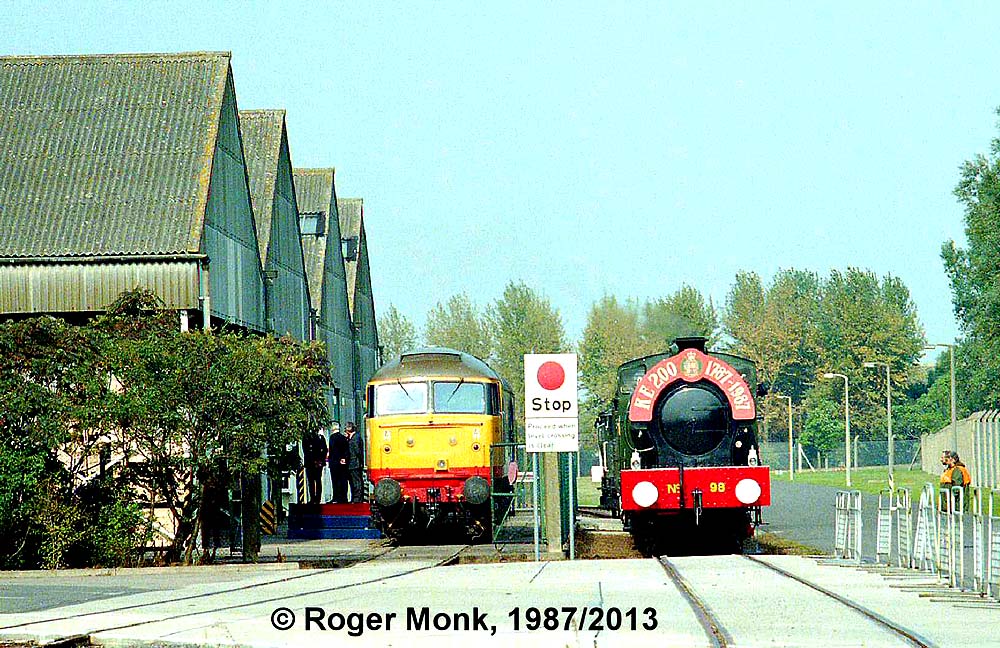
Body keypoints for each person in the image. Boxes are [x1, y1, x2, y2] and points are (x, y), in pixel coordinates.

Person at [302, 429, 327, 504]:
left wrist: (320, 460)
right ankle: (314, 498)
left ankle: (316, 498)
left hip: (316, 463)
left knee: (315, 481)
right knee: (313, 481)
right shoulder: (307, 438)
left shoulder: (319, 438)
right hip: (312, 463)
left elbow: (324, 450)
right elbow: (306, 451)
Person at [328, 423, 349, 503]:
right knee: (343, 480)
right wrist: (344, 458)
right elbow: (346, 450)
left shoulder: (332, 438)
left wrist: (337, 459)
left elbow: (333, 450)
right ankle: (344, 497)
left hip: (334, 462)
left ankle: (336, 497)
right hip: (343, 463)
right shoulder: (343, 438)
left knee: (335, 481)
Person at [346, 422, 366, 503]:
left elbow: (357, 451)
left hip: (355, 463)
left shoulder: (355, 438)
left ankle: (358, 498)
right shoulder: (352, 438)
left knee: (356, 481)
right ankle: (355, 497)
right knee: (353, 481)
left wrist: (360, 461)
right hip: (352, 463)